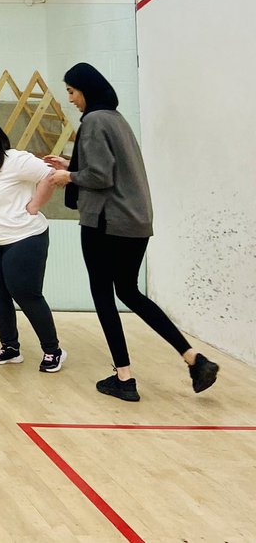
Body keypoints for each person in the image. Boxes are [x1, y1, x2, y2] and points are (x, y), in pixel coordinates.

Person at [47, 63, 219, 401]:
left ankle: (124, 378)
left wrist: (69, 178)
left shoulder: (94, 121)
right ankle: (193, 359)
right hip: (135, 223)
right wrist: (71, 165)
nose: (69, 99)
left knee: (103, 294)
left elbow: (100, 177)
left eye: (70, 91)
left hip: (107, 223)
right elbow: (111, 169)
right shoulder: (116, 119)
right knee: (129, 291)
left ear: (86, 89)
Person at [0, 117, 65, 371]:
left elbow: (51, 176)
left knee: (26, 293)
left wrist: (35, 205)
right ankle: (10, 347)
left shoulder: (17, 161)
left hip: (24, 237)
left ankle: (53, 351)